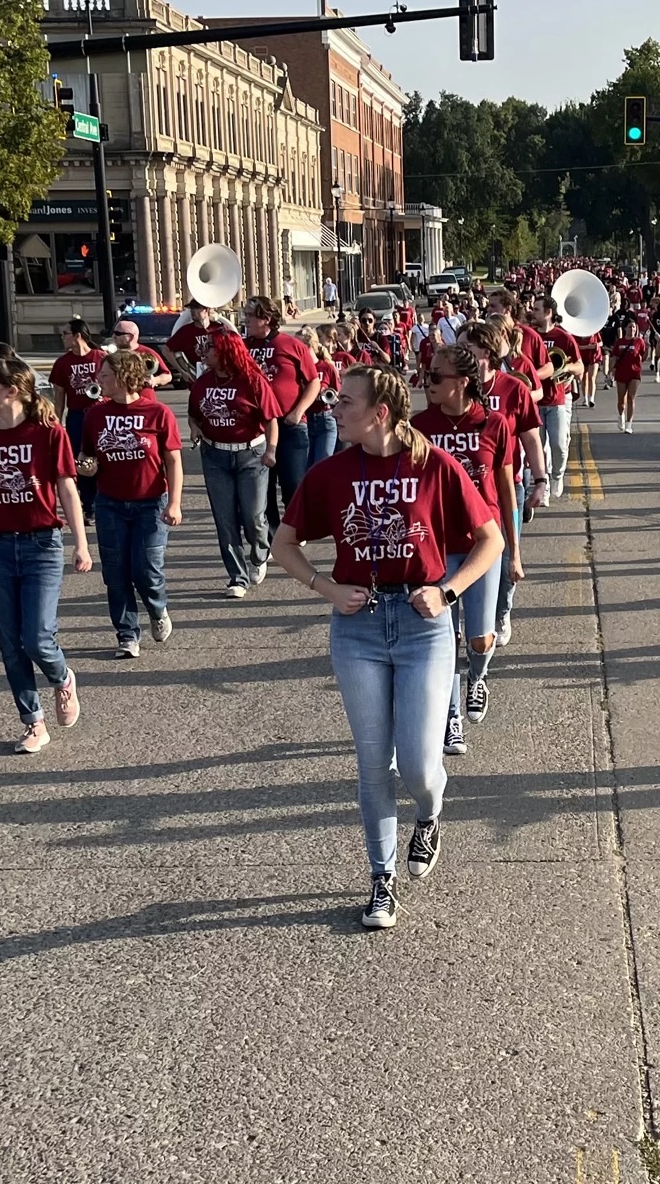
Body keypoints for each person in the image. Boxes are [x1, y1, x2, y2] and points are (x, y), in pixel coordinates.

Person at [270, 365, 504, 930]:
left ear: (379, 413)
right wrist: (325, 587)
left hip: (423, 625)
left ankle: (430, 812)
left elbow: (490, 539)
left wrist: (448, 591)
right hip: (358, 629)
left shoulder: (434, 465)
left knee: (421, 765)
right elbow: (284, 543)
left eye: (345, 402)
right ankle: (382, 878)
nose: (334, 409)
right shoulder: (331, 472)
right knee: (374, 762)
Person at [0, 355, 90, 755]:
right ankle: (33, 722)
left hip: (41, 544)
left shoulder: (49, 434)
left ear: (12, 390)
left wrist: (81, 543)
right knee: (9, 642)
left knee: (36, 638)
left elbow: (67, 489)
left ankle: (63, 678)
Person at [413, 345, 519, 745]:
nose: (428, 381)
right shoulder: (420, 425)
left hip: (482, 545)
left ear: (461, 382)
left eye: (437, 375)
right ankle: (450, 716)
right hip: (437, 545)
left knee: (480, 636)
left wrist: (514, 552)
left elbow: (505, 490)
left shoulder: (493, 423)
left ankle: (478, 677)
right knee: (443, 638)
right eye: (427, 373)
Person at [80, 349, 184, 658]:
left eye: (105, 375)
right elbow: (88, 455)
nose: (99, 379)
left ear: (124, 377)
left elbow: (173, 461)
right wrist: (86, 466)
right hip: (110, 503)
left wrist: (175, 503)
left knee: (145, 569)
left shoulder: (157, 413)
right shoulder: (95, 414)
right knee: (115, 572)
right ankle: (126, 634)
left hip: (150, 503)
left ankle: (157, 608)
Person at [462, 321, 548, 642]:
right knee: (464, 556)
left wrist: (540, 480)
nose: (460, 353)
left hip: (508, 485)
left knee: (506, 556)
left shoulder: (513, 389)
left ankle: (501, 611)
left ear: (486, 352)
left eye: (467, 348)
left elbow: (531, 439)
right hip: (466, 489)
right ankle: (468, 617)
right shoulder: (457, 389)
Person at [189, 330, 282, 598]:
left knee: (253, 516)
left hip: (251, 455)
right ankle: (237, 577)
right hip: (215, 456)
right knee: (225, 520)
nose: (205, 351)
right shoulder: (203, 382)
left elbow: (271, 419)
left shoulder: (252, 380)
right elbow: (194, 414)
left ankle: (260, 553)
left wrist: (271, 450)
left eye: (210, 347)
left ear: (225, 351)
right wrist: (194, 427)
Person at [242, 296, 324, 533]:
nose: (245, 320)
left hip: (290, 425)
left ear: (266, 319)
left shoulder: (291, 345)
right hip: (257, 430)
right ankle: (273, 535)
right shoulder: (244, 347)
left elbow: (313, 382)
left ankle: (295, 531)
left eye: (250, 315)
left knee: (292, 484)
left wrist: (298, 411)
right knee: (263, 488)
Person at [48, 320, 105, 522]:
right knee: (82, 460)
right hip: (77, 416)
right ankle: (89, 505)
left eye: (65, 333)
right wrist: (57, 423)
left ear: (77, 335)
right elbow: (59, 396)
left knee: (104, 457)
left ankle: (104, 500)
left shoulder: (101, 357)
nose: (62, 337)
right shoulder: (63, 363)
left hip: (101, 414)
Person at [528, 297, 583, 497]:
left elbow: (580, 367)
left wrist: (566, 368)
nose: (532, 312)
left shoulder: (563, 337)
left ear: (548, 312)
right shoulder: (530, 335)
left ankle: (557, 475)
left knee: (559, 445)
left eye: (536, 309)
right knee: (539, 447)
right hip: (535, 400)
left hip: (557, 399)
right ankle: (544, 484)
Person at [296, 326, 340, 461]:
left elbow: (338, 393)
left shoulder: (326, 367)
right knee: (306, 466)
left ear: (308, 346)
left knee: (323, 462)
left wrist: (328, 395)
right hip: (305, 419)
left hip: (325, 418)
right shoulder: (297, 368)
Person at [109, 318, 174, 389]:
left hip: (144, 394)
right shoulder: (111, 354)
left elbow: (167, 376)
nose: (113, 336)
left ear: (131, 337)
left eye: (118, 334)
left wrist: (155, 380)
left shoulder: (147, 353)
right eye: (113, 333)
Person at [164, 300, 218, 380]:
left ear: (206, 310)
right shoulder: (185, 331)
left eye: (196, 308)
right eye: (191, 308)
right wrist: (182, 371)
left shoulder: (219, 328)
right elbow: (166, 350)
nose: (192, 311)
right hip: (195, 378)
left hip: (217, 376)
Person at [611, 320, 647, 434]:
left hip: (634, 373)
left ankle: (629, 424)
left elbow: (644, 356)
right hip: (621, 372)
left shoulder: (639, 341)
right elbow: (615, 356)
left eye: (634, 327)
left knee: (631, 398)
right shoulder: (619, 342)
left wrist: (649, 346)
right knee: (621, 400)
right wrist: (611, 370)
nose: (632, 329)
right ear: (625, 328)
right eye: (630, 327)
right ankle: (621, 415)